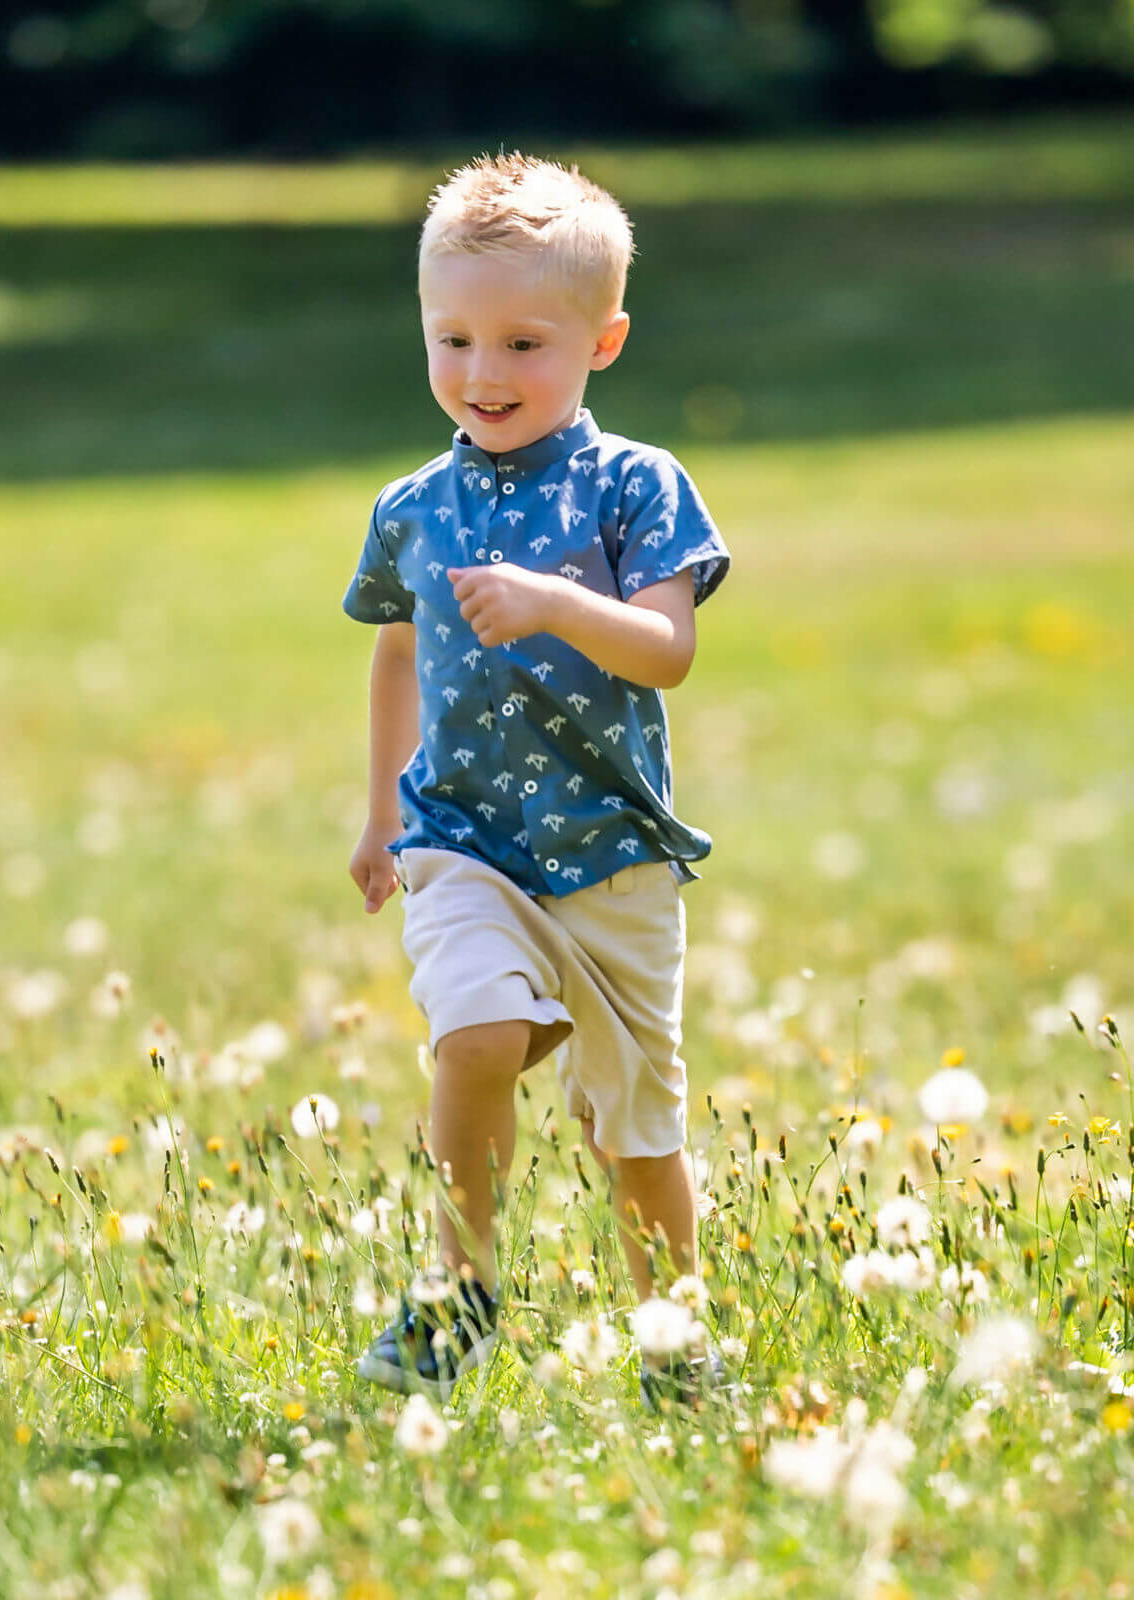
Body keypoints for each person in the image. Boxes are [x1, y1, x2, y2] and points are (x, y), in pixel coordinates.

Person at [343, 152, 730, 1410]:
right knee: (476, 1034)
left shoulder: (638, 487)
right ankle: (460, 1286)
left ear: (603, 341)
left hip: (612, 852)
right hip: (464, 839)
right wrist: (385, 811)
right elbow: (396, 653)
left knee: (638, 1135)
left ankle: (674, 1335)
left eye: (523, 342)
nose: (482, 374)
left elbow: (666, 651)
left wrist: (563, 605)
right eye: (452, 339)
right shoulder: (412, 506)